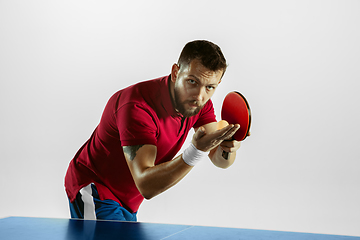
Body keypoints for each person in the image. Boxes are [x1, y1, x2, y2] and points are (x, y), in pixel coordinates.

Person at [64, 40, 243, 221]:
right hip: (95, 189)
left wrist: (228, 146)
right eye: (192, 81)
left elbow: (221, 161)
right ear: (175, 72)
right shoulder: (136, 107)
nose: (199, 95)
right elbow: (146, 185)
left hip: (129, 201)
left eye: (209, 87)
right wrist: (196, 151)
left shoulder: (200, 105)